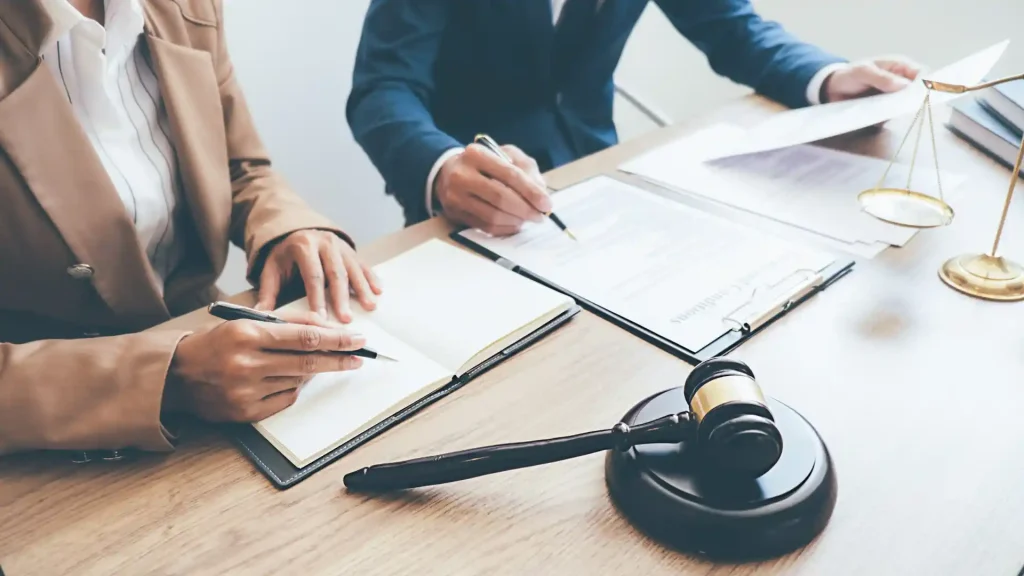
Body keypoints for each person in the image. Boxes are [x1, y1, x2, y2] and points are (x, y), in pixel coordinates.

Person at [0, 0, 382, 458]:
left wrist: (287, 225)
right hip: (50, 444)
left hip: (221, 371)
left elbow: (239, 166)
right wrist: (169, 376)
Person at [347, 0, 922, 234]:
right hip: (470, 203)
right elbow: (382, 88)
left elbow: (733, 27)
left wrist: (826, 77)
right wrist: (443, 168)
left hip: (603, 177)